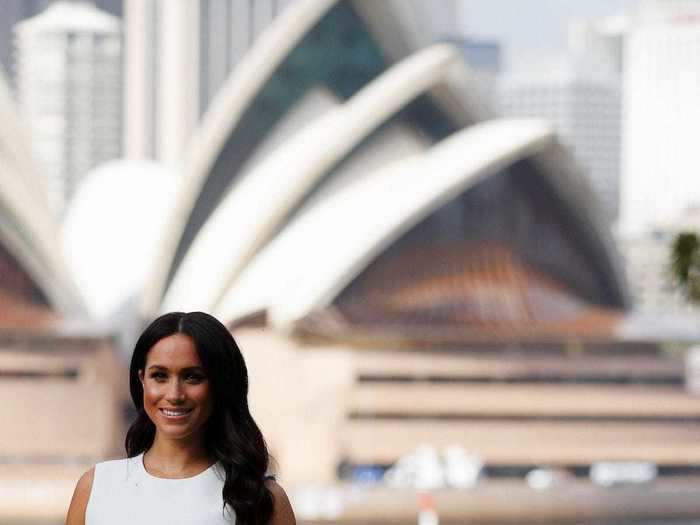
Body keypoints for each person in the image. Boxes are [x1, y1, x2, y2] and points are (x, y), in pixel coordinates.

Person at [66, 311, 296, 525]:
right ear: (142, 380)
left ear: (220, 385)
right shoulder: (96, 487)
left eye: (193, 377)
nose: (174, 394)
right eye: (160, 376)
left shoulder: (263, 500)